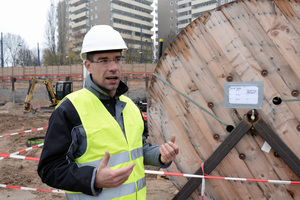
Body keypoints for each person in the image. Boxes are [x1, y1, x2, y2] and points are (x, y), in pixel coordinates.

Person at [37, 25, 179, 200]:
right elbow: (49, 168)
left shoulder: (130, 107)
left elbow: (137, 149)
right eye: (104, 60)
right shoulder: (70, 110)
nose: (113, 67)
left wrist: (160, 155)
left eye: (117, 59)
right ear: (88, 65)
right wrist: (93, 178)